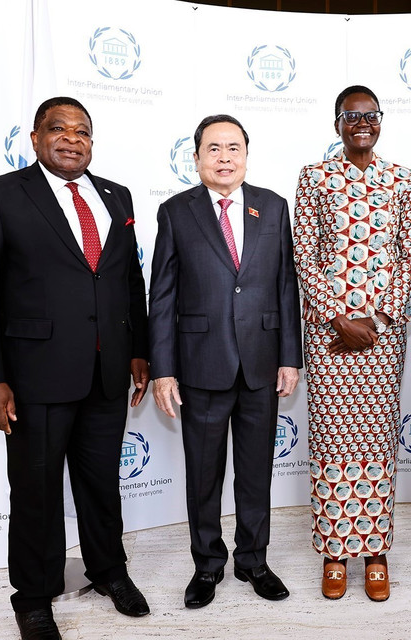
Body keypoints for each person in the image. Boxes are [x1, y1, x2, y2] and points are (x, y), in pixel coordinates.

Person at [0, 96, 151, 640]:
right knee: (37, 491)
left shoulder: (116, 195)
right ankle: (33, 597)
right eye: (58, 129)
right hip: (34, 375)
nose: (71, 138)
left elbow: (127, 280)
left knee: (101, 484)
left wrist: (139, 350)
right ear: (36, 138)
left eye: (82, 131)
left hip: (106, 372)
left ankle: (109, 571)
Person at [148, 114, 302, 609]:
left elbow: (285, 286)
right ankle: (207, 565)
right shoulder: (176, 212)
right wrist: (163, 370)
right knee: (204, 475)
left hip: (261, 363)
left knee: (255, 472)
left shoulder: (272, 207)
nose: (224, 157)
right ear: (196, 158)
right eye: (213, 148)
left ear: (246, 155)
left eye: (233, 148)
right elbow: (162, 296)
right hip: (201, 364)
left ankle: (254, 561)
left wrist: (290, 357)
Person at [292, 85, 411, 601]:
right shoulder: (314, 177)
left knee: (376, 439)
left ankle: (375, 551)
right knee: (332, 440)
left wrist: (379, 316)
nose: (362, 123)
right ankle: (333, 551)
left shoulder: (401, 179)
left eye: (371, 115)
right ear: (337, 124)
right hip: (329, 335)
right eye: (352, 116)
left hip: (383, 335)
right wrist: (338, 318)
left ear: (381, 121)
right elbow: (304, 252)